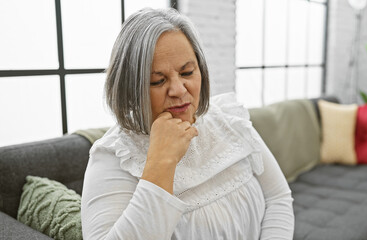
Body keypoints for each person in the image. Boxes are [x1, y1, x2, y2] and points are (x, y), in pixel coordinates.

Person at [81, 8, 294, 240]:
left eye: (187, 72)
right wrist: (161, 162)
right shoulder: (113, 157)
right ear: (130, 88)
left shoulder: (228, 120)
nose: (179, 90)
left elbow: (278, 198)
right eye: (157, 80)